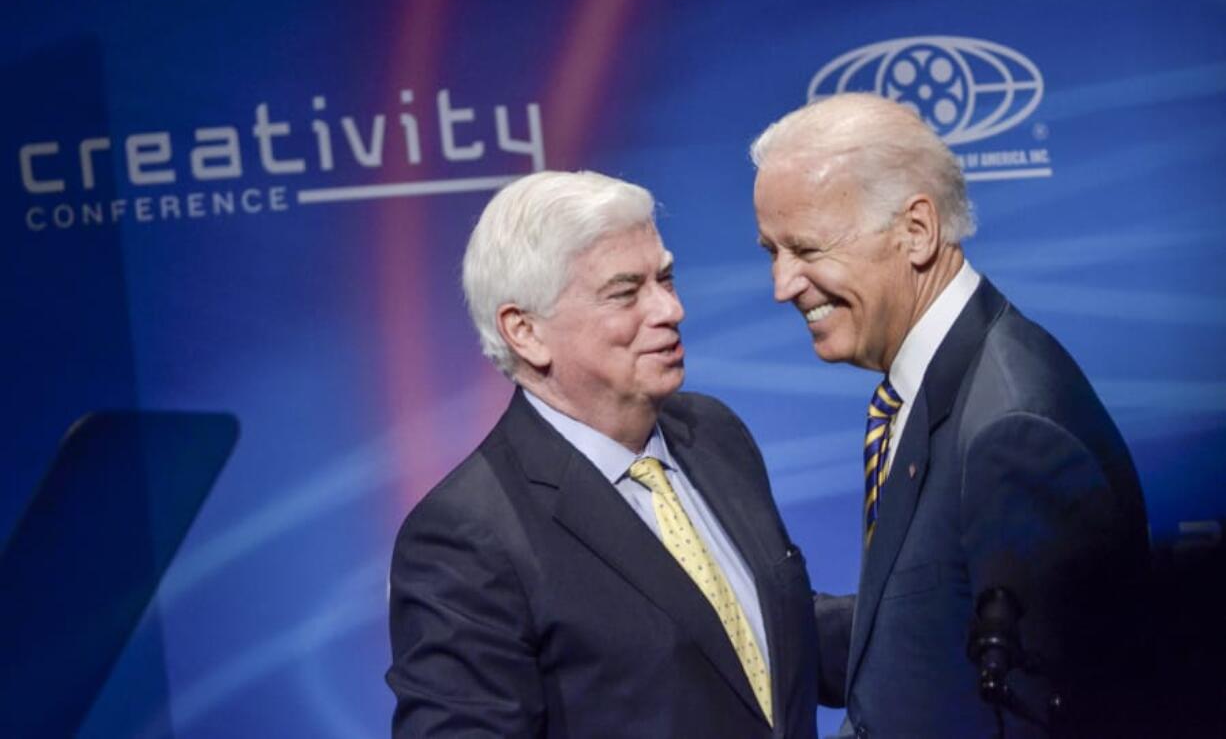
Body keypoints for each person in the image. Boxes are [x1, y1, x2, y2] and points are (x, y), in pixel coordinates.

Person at [751, 93, 1150, 738]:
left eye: (806, 248)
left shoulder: (1013, 430)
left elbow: (1041, 715)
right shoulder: (927, 385)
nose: (782, 284)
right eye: (771, 250)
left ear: (917, 231)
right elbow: (929, 630)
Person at [386, 170, 829, 738]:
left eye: (665, 279)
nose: (670, 310)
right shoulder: (466, 534)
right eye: (626, 292)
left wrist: (936, 606)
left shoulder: (714, 434)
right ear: (525, 332)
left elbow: (767, 634)